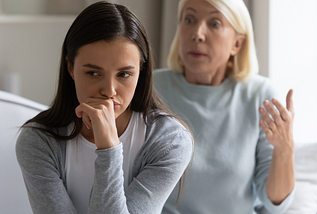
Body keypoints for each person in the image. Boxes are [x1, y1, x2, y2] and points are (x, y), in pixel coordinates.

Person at [16, 2, 193, 214]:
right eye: (93, 73)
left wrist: (109, 147)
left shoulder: (170, 141)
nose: (109, 90)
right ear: (70, 68)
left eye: (124, 74)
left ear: (141, 72)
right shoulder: (38, 141)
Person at [153, 0, 295, 213]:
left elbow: (275, 204)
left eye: (215, 24)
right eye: (189, 20)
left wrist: (284, 149)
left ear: (237, 44)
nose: (198, 34)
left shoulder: (261, 95)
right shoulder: (151, 87)